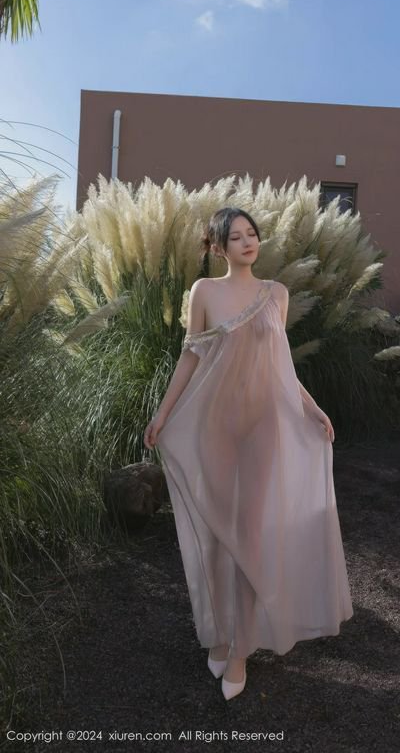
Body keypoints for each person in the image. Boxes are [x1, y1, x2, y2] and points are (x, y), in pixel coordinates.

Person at [143, 207, 353, 701]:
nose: (247, 242)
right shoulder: (204, 291)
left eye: (252, 233)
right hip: (214, 426)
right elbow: (190, 355)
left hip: (263, 427)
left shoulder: (276, 293)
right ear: (218, 247)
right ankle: (219, 632)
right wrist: (162, 413)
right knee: (219, 537)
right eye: (235, 237)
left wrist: (313, 408)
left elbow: (281, 368)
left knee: (249, 538)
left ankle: (239, 648)